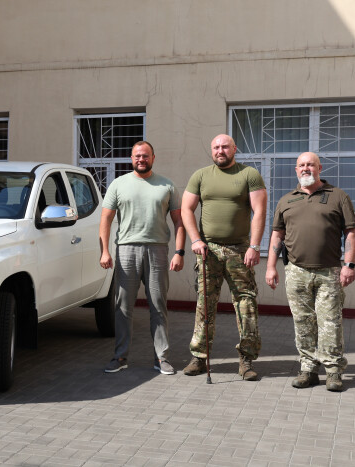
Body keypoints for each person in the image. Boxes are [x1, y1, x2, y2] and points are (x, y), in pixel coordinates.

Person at [265, 152, 355, 392]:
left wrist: (349, 265)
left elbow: (350, 233)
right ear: (296, 170)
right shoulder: (286, 200)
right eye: (302, 165)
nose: (306, 168)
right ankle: (308, 369)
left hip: (329, 272)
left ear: (319, 168)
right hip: (296, 271)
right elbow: (277, 235)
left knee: (330, 322)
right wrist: (271, 266)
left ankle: (333, 371)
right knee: (303, 322)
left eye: (311, 164)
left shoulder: (338, 197)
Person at [181, 134, 267, 380]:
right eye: (216, 147)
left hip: (240, 250)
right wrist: (195, 240)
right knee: (204, 304)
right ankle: (199, 357)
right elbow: (187, 208)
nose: (220, 151)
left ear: (234, 149)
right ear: (212, 150)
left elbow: (259, 210)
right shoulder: (201, 175)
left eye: (225, 147)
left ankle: (246, 360)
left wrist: (255, 245)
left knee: (246, 303)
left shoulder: (249, 174)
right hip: (207, 250)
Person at [100, 141, 186, 374]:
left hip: (157, 250)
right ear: (131, 158)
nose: (141, 159)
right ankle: (120, 357)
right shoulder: (119, 184)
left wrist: (179, 252)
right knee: (123, 307)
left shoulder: (167, 185)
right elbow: (106, 219)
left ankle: (161, 357)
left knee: (158, 305)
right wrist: (105, 251)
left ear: (153, 158)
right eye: (137, 155)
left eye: (145, 156)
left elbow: (179, 221)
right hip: (126, 250)